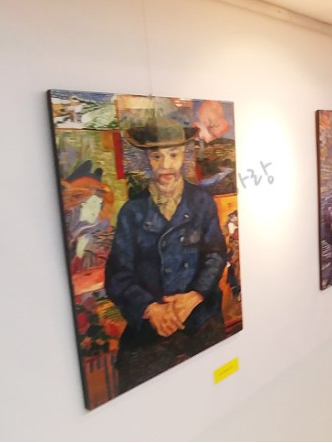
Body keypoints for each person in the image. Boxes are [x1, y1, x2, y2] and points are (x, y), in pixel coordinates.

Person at [105, 110, 228, 392]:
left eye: (173, 155)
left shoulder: (202, 202)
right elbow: (117, 275)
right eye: (156, 156)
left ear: (183, 154)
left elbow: (215, 255)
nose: (165, 165)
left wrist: (194, 296)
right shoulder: (132, 212)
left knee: (218, 382)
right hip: (151, 327)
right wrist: (151, 309)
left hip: (200, 317)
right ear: (147, 159)